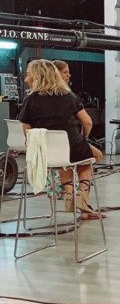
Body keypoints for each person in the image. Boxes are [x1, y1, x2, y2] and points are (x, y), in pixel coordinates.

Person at [19, 59, 104, 220]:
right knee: (90, 156)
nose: (25, 79)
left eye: (28, 74)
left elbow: (27, 129)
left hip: (47, 152)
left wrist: (32, 144)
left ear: (38, 76)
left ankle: (69, 193)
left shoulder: (30, 100)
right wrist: (83, 138)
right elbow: (87, 122)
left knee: (63, 159)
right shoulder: (70, 96)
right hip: (73, 146)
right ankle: (82, 195)